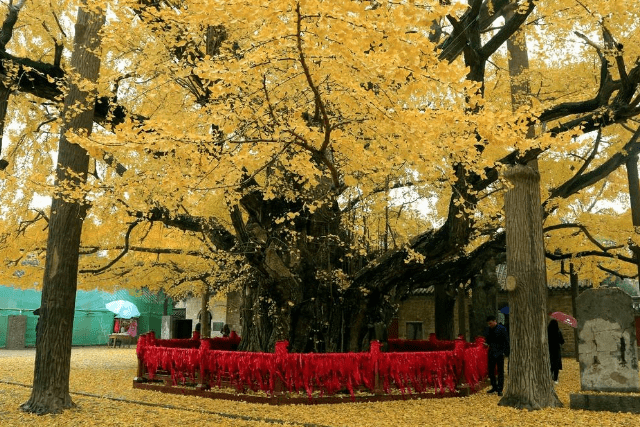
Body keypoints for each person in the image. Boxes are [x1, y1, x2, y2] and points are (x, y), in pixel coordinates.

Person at [484, 315, 509, 396]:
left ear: (495, 321)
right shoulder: (488, 329)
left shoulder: (502, 329)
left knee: (500, 371)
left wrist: (505, 352)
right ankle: (494, 386)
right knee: (491, 371)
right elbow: (487, 339)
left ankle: (500, 389)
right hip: (491, 351)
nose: (490, 325)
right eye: (489, 324)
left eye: (491, 323)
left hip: (499, 352)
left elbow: (506, 340)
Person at [547, 319, 565, 384]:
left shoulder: (547, 332)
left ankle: (549, 377)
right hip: (556, 350)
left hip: (549, 349)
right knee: (556, 364)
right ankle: (555, 379)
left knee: (550, 363)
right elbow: (562, 341)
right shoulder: (558, 332)